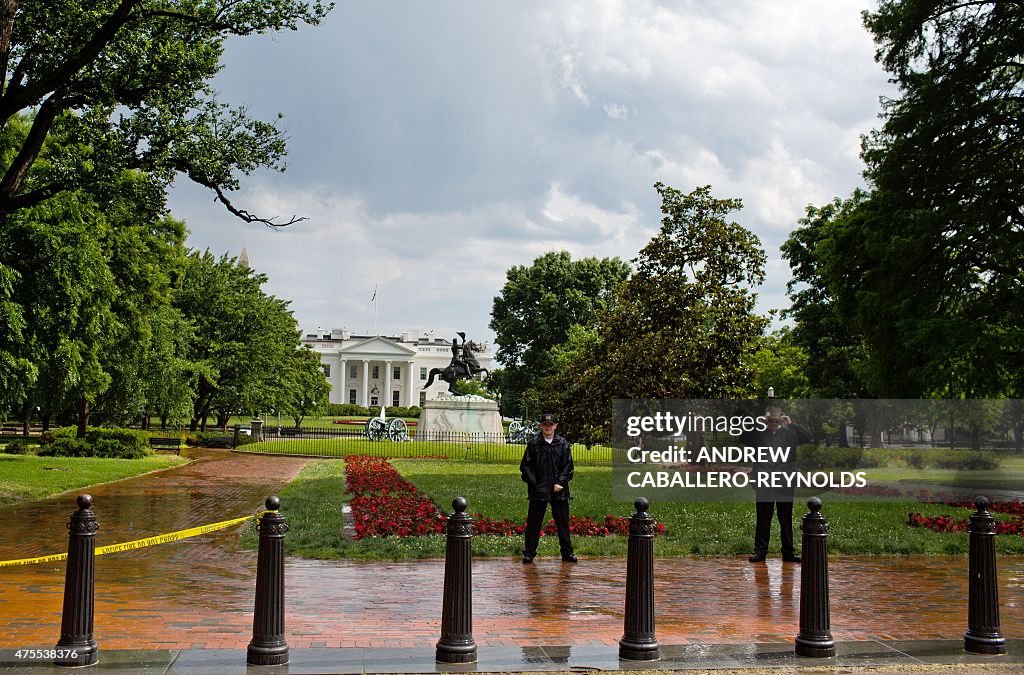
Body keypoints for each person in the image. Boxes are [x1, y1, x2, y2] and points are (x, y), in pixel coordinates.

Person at [744, 404, 812, 563]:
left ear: (781, 419)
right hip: (764, 481)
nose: (774, 423)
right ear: (766, 420)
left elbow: (808, 437)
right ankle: (760, 552)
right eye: (771, 420)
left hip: (784, 482)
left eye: (777, 420)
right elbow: (743, 436)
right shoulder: (758, 434)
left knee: (785, 517)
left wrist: (792, 424)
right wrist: (756, 423)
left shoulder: (790, 434)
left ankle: (788, 552)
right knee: (763, 518)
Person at [519, 413, 576, 563]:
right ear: (541, 426)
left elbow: (568, 467)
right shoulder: (534, 444)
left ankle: (567, 553)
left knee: (562, 523)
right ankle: (529, 552)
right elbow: (526, 467)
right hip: (539, 490)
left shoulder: (563, 444)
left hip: (559, 490)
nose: (548, 427)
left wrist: (561, 483)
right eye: (545, 425)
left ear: (555, 426)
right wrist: (535, 485)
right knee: (534, 523)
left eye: (550, 425)